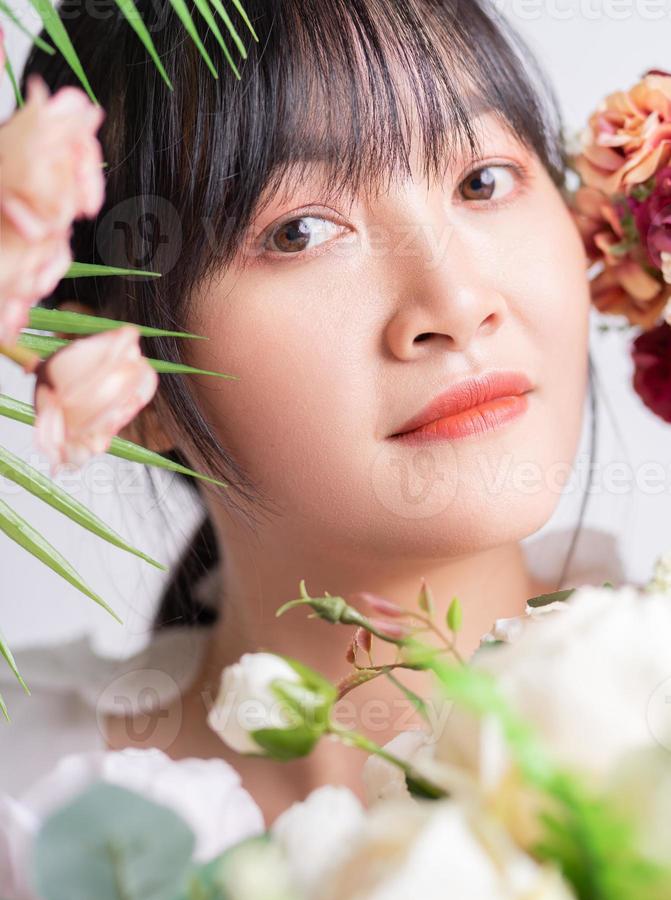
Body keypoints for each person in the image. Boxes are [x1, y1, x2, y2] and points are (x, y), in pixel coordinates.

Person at [2, 0, 625, 822]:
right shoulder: (34, 806)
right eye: (298, 230)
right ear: (120, 372)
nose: (456, 301)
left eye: (482, 181)